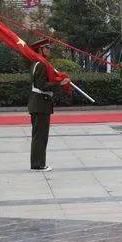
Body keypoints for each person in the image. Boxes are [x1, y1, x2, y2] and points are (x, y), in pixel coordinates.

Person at [27, 39, 70, 171]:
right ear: (40, 49)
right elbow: (41, 85)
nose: (49, 50)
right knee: (40, 136)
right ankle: (38, 165)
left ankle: (36, 163)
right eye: (47, 48)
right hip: (41, 104)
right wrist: (59, 84)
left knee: (38, 136)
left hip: (38, 103)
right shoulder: (41, 65)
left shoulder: (37, 63)